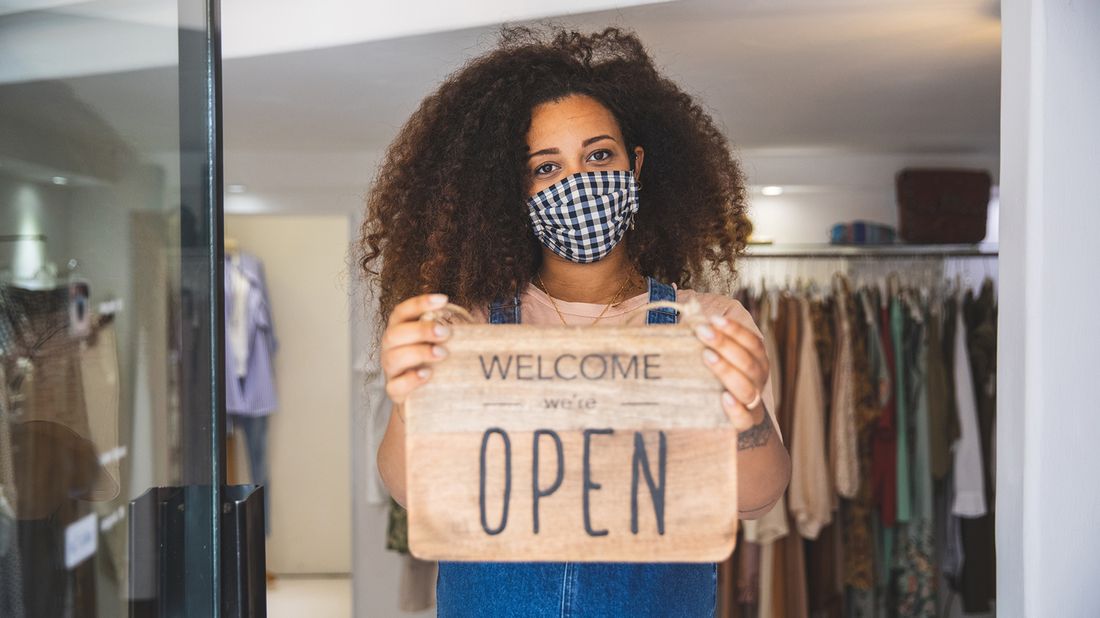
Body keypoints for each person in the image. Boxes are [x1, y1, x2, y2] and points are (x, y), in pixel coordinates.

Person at [359, 26, 791, 617]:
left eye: (598, 155)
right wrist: (410, 404)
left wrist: (746, 412)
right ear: (516, 190)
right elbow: (414, 492)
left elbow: (758, 497)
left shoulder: (710, 325)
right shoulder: (469, 327)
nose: (578, 183)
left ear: (634, 166)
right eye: (545, 168)